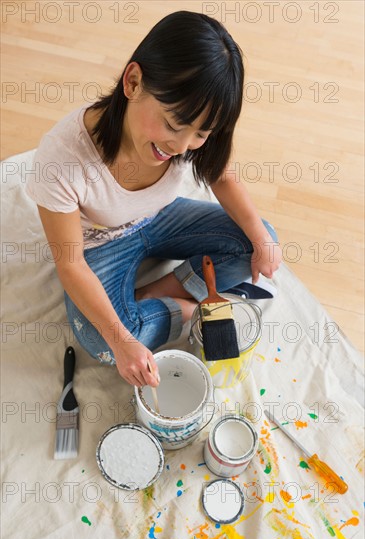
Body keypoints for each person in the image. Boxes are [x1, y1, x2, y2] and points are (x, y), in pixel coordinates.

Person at [26, 11, 282, 388]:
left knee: (256, 238)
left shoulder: (188, 137)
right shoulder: (61, 160)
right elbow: (71, 265)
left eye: (201, 134)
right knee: (103, 344)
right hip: (100, 244)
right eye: (173, 125)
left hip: (159, 217)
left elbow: (220, 174)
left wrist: (261, 241)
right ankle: (173, 307)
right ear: (133, 82)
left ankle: (152, 294)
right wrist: (123, 342)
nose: (180, 146)